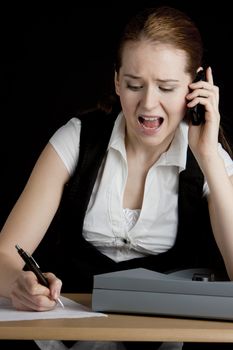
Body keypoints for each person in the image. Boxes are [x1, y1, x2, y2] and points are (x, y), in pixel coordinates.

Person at [0, 5, 233, 350]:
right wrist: (17, 282)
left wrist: (209, 157)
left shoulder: (208, 157)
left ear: (195, 85)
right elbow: (4, 253)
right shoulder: (77, 138)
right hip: (72, 341)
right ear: (116, 81)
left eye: (167, 88)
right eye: (134, 85)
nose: (148, 104)